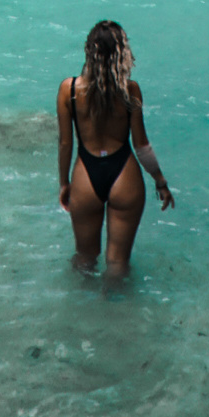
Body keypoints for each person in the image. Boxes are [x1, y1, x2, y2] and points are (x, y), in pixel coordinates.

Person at [57, 19, 173, 276]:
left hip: (85, 177)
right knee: (118, 263)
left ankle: (84, 312)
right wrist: (160, 181)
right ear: (122, 53)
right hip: (125, 175)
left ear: (89, 49)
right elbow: (141, 145)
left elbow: (65, 143)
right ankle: (117, 311)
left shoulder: (70, 90)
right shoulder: (130, 90)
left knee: (85, 258)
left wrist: (64, 183)